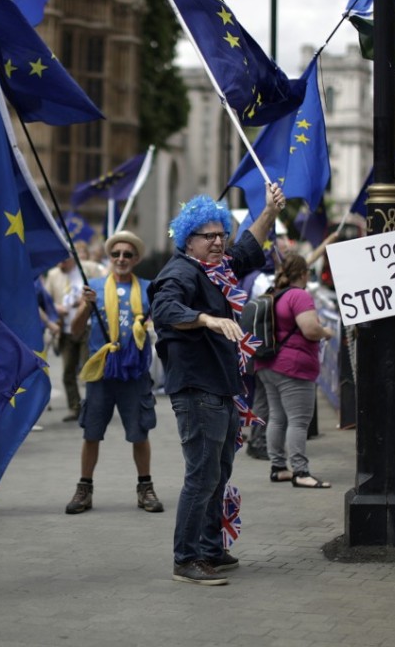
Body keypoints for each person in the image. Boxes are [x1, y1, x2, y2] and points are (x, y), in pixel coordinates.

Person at [149, 182, 284, 586]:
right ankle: (186, 558)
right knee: (202, 474)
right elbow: (165, 308)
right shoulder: (180, 271)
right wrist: (208, 319)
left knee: (218, 472)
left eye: (221, 233)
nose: (218, 242)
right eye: (209, 236)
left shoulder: (217, 268)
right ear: (188, 239)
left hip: (222, 387)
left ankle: (209, 549)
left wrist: (269, 212)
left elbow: (247, 248)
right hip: (197, 388)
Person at [64, 230, 162, 515]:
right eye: (116, 254)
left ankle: (145, 488)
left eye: (127, 254)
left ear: (136, 258)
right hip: (101, 374)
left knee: (139, 433)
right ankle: (84, 489)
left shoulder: (148, 289)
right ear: (109, 257)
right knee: (91, 433)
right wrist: (87, 306)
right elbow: (75, 330)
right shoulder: (92, 286)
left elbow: (162, 322)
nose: (121, 258)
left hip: (134, 374)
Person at [255, 253, 334, 488]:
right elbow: (310, 329)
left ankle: (278, 468)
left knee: (277, 418)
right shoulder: (299, 295)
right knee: (299, 421)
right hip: (293, 368)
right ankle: (301, 472)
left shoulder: (274, 293)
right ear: (303, 274)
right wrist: (327, 332)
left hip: (268, 364)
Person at [44, 246, 104, 421]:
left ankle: (94, 407)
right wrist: (56, 309)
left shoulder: (89, 268)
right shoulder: (54, 275)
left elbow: (103, 287)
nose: (60, 263)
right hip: (65, 328)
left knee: (89, 368)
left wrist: (87, 300)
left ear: (71, 258)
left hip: (87, 326)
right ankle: (75, 407)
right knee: (68, 372)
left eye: (63, 260)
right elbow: (46, 299)